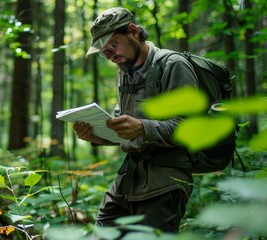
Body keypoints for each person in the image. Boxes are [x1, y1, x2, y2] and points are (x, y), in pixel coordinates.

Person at [73, 7, 198, 233]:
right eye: (104, 52)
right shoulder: (124, 70)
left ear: (133, 32)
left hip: (165, 182)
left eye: (113, 45)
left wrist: (142, 128)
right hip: (128, 179)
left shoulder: (173, 65)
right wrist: (96, 136)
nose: (110, 55)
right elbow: (125, 128)